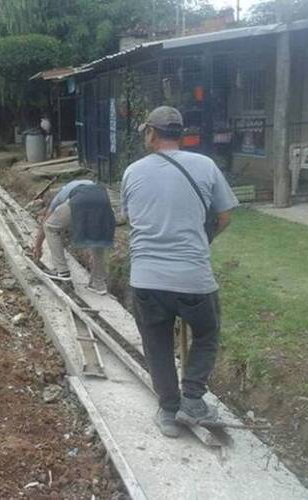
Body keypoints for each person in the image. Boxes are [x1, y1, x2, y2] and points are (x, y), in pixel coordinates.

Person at [120, 106, 238, 438]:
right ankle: (194, 400)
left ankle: (170, 412)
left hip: (146, 278)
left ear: (151, 134)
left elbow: (131, 218)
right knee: (206, 333)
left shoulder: (132, 172)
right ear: (181, 134)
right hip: (193, 277)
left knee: (156, 344)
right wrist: (202, 241)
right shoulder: (205, 166)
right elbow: (225, 216)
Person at [32, 180, 115, 295]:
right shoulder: (89, 184)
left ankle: (62, 272)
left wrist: (38, 246)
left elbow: (46, 221)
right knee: (98, 239)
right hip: (104, 201)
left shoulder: (60, 196)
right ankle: (99, 283)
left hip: (81, 200)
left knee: (50, 227)